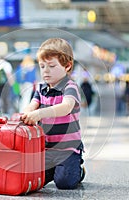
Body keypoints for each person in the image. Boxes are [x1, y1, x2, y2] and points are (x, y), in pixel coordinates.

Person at [21, 38, 85, 189]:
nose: (46, 71)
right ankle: (55, 170)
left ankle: (79, 171)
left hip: (67, 149)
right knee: (35, 179)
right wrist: (25, 115)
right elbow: (31, 106)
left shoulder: (70, 87)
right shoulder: (40, 89)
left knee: (64, 183)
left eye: (51, 66)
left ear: (67, 66)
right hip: (47, 149)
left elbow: (66, 107)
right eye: (42, 66)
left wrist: (41, 113)